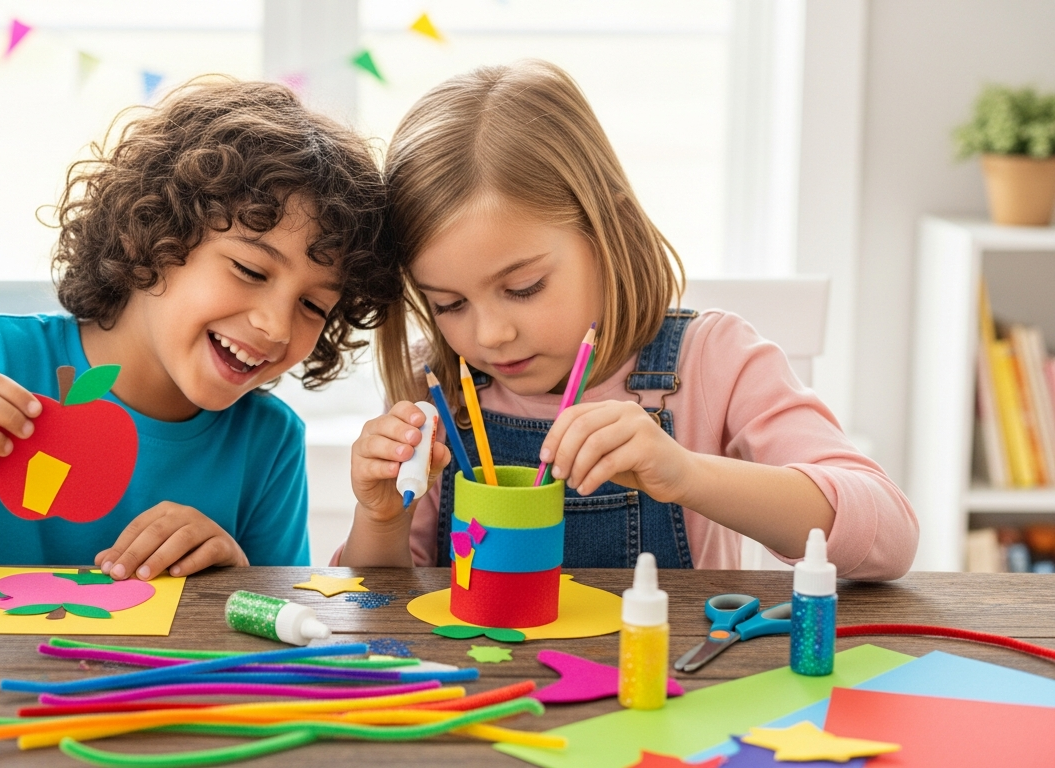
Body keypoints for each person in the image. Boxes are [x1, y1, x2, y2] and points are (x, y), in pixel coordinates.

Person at [0, 78, 398, 574]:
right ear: (156, 241)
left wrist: (233, 570)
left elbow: (275, 633)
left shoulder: (266, 441)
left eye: (315, 305)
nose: (276, 324)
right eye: (252, 271)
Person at [337, 60, 918, 579]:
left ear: (605, 232)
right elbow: (374, 601)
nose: (489, 335)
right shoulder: (436, 385)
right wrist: (382, 515)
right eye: (449, 304)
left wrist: (687, 475)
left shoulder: (710, 360)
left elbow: (890, 537)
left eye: (524, 287)